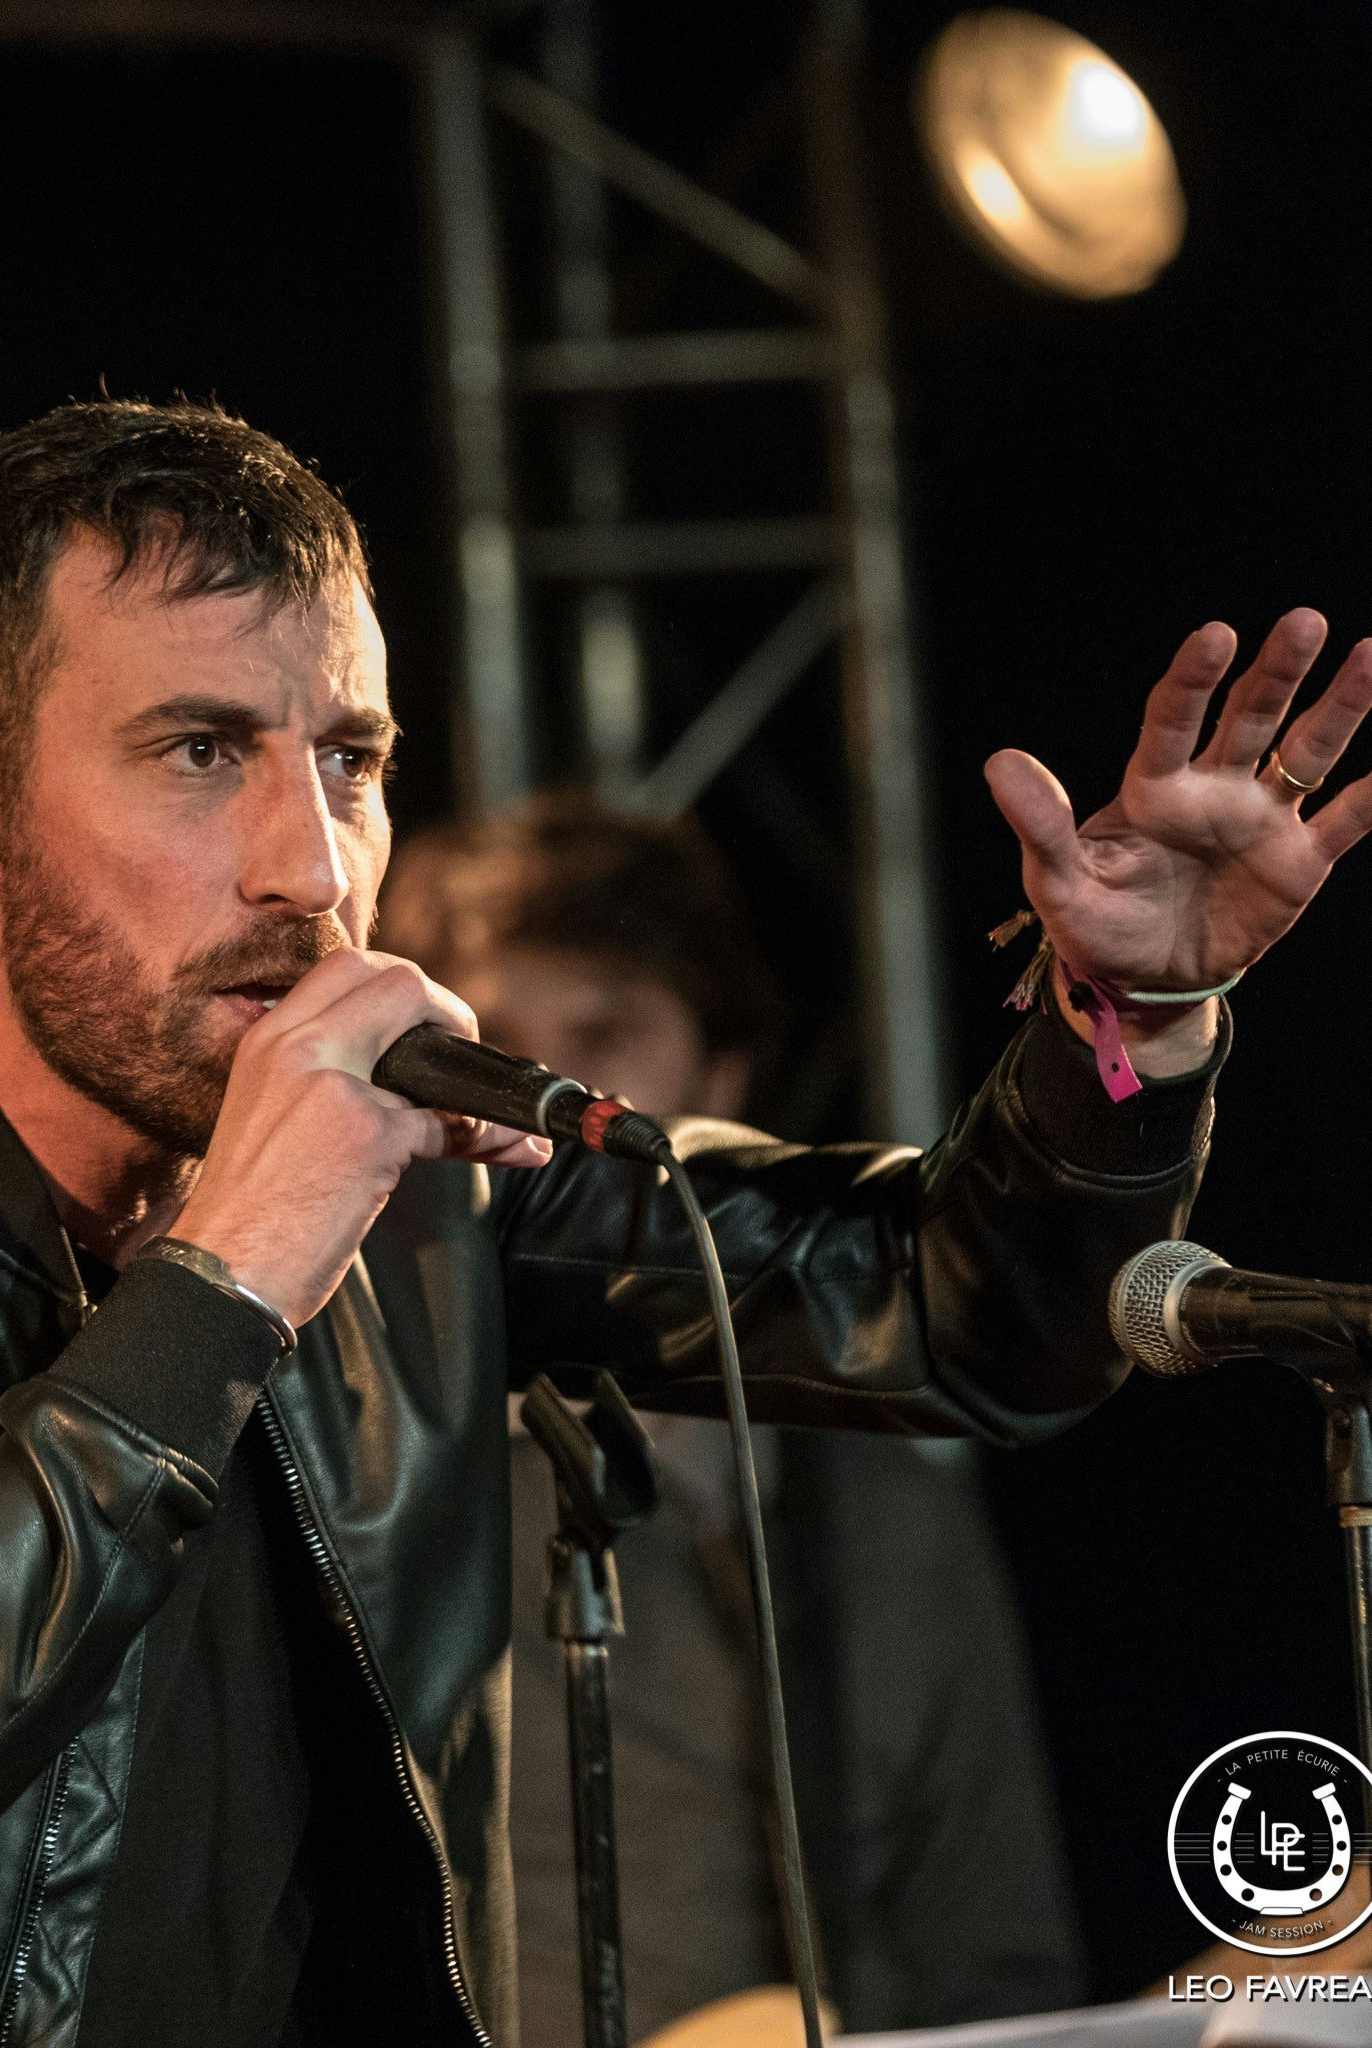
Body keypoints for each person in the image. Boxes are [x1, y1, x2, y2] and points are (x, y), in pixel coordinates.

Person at [0, 397, 1372, 2048]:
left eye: (349, 760)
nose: (309, 865)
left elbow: (954, 1317)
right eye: (197, 751)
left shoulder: (390, 1155)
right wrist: (228, 1272)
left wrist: (1122, 1023)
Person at [377, 803, 1086, 2041]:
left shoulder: (885, 1520)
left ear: (722, 1078)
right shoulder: (374, 1482)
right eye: (493, 1050)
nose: (537, 1105)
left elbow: (995, 1961)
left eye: (601, 1038)